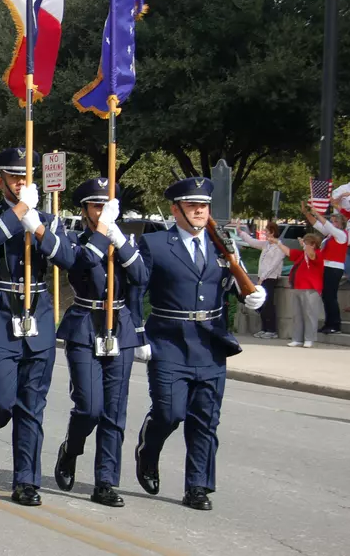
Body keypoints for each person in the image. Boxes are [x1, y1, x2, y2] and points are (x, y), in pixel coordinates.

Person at [133, 177, 266, 512]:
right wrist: (137, 336)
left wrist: (251, 295)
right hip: (169, 341)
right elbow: (134, 292)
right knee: (169, 413)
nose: (198, 211)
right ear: (175, 209)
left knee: (206, 419)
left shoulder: (222, 246)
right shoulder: (156, 244)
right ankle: (148, 450)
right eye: (191, 205)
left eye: (203, 206)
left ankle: (197, 487)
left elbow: (232, 281)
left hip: (210, 342)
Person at [0, 147, 75, 506]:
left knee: (31, 405)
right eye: (13, 177)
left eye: (26, 177)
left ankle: (26, 480)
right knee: (0, 399)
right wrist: (21, 211)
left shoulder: (47, 218)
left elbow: (68, 258)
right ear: (0, 181)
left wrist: (38, 226)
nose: (20, 182)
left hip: (38, 312)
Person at [52, 178, 147, 508]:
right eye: (95, 206)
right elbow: (81, 266)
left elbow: (141, 278)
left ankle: (106, 481)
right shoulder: (75, 241)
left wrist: (118, 239)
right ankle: (71, 450)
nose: (100, 211)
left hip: (119, 328)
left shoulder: (124, 241)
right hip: (83, 327)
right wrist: (103, 230)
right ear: (84, 210)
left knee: (113, 412)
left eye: (106, 207)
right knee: (89, 407)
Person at [299, 202, 346, 335]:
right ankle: (328, 323)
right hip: (326, 267)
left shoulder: (341, 235)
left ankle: (335, 324)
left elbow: (327, 225)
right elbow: (317, 224)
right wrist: (307, 213)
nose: (332, 223)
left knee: (330, 296)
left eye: (334, 221)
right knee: (326, 296)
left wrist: (317, 213)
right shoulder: (331, 235)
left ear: (339, 223)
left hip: (334, 268)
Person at [272, 231, 324, 348]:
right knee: (297, 315)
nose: (303, 245)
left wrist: (306, 247)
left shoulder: (317, 254)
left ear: (313, 245)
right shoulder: (301, 254)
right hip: (297, 287)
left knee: (310, 315)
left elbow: (311, 255)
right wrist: (278, 243)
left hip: (310, 288)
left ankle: (309, 339)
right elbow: (288, 252)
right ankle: (297, 338)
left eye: (306, 243)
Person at [239, 222, 285, 339]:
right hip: (262, 277)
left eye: (267, 231)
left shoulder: (278, 247)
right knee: (263, 303)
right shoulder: (266, 244)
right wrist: (241, 233)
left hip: (270, 278)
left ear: (273, 232)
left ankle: (272, 330)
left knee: (268, 303)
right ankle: (264, 328)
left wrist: (262, 278)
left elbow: (273, 265)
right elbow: (253, 242)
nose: (265, 232)